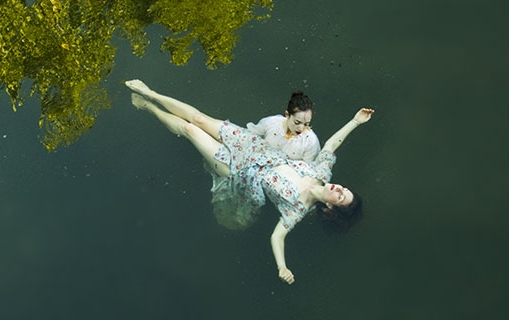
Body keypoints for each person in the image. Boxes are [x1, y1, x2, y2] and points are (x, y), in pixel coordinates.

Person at [126, 79, 373, 284]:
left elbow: (277, 237)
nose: (339, 188)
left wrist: (282, 267)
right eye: (344, 189)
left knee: (190, 130)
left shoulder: (297, 208)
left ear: (330, 208)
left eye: (340, 196)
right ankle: (152, 93)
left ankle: (150, 108)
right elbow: (331, 145)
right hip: (252, 146)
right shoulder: (322, 173)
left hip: (239, 170)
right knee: (199, 118)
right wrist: (355, 122)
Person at [209, 91, 320, 229]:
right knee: (198, 122)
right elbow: (252, 135)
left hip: (265, 176)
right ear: (287, 114)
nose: (301, 128)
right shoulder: (272, 122)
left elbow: (305, 171)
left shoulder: (310, 142)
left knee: (191, 131)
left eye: (306, 124)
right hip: (252, 152)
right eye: (297, 122)